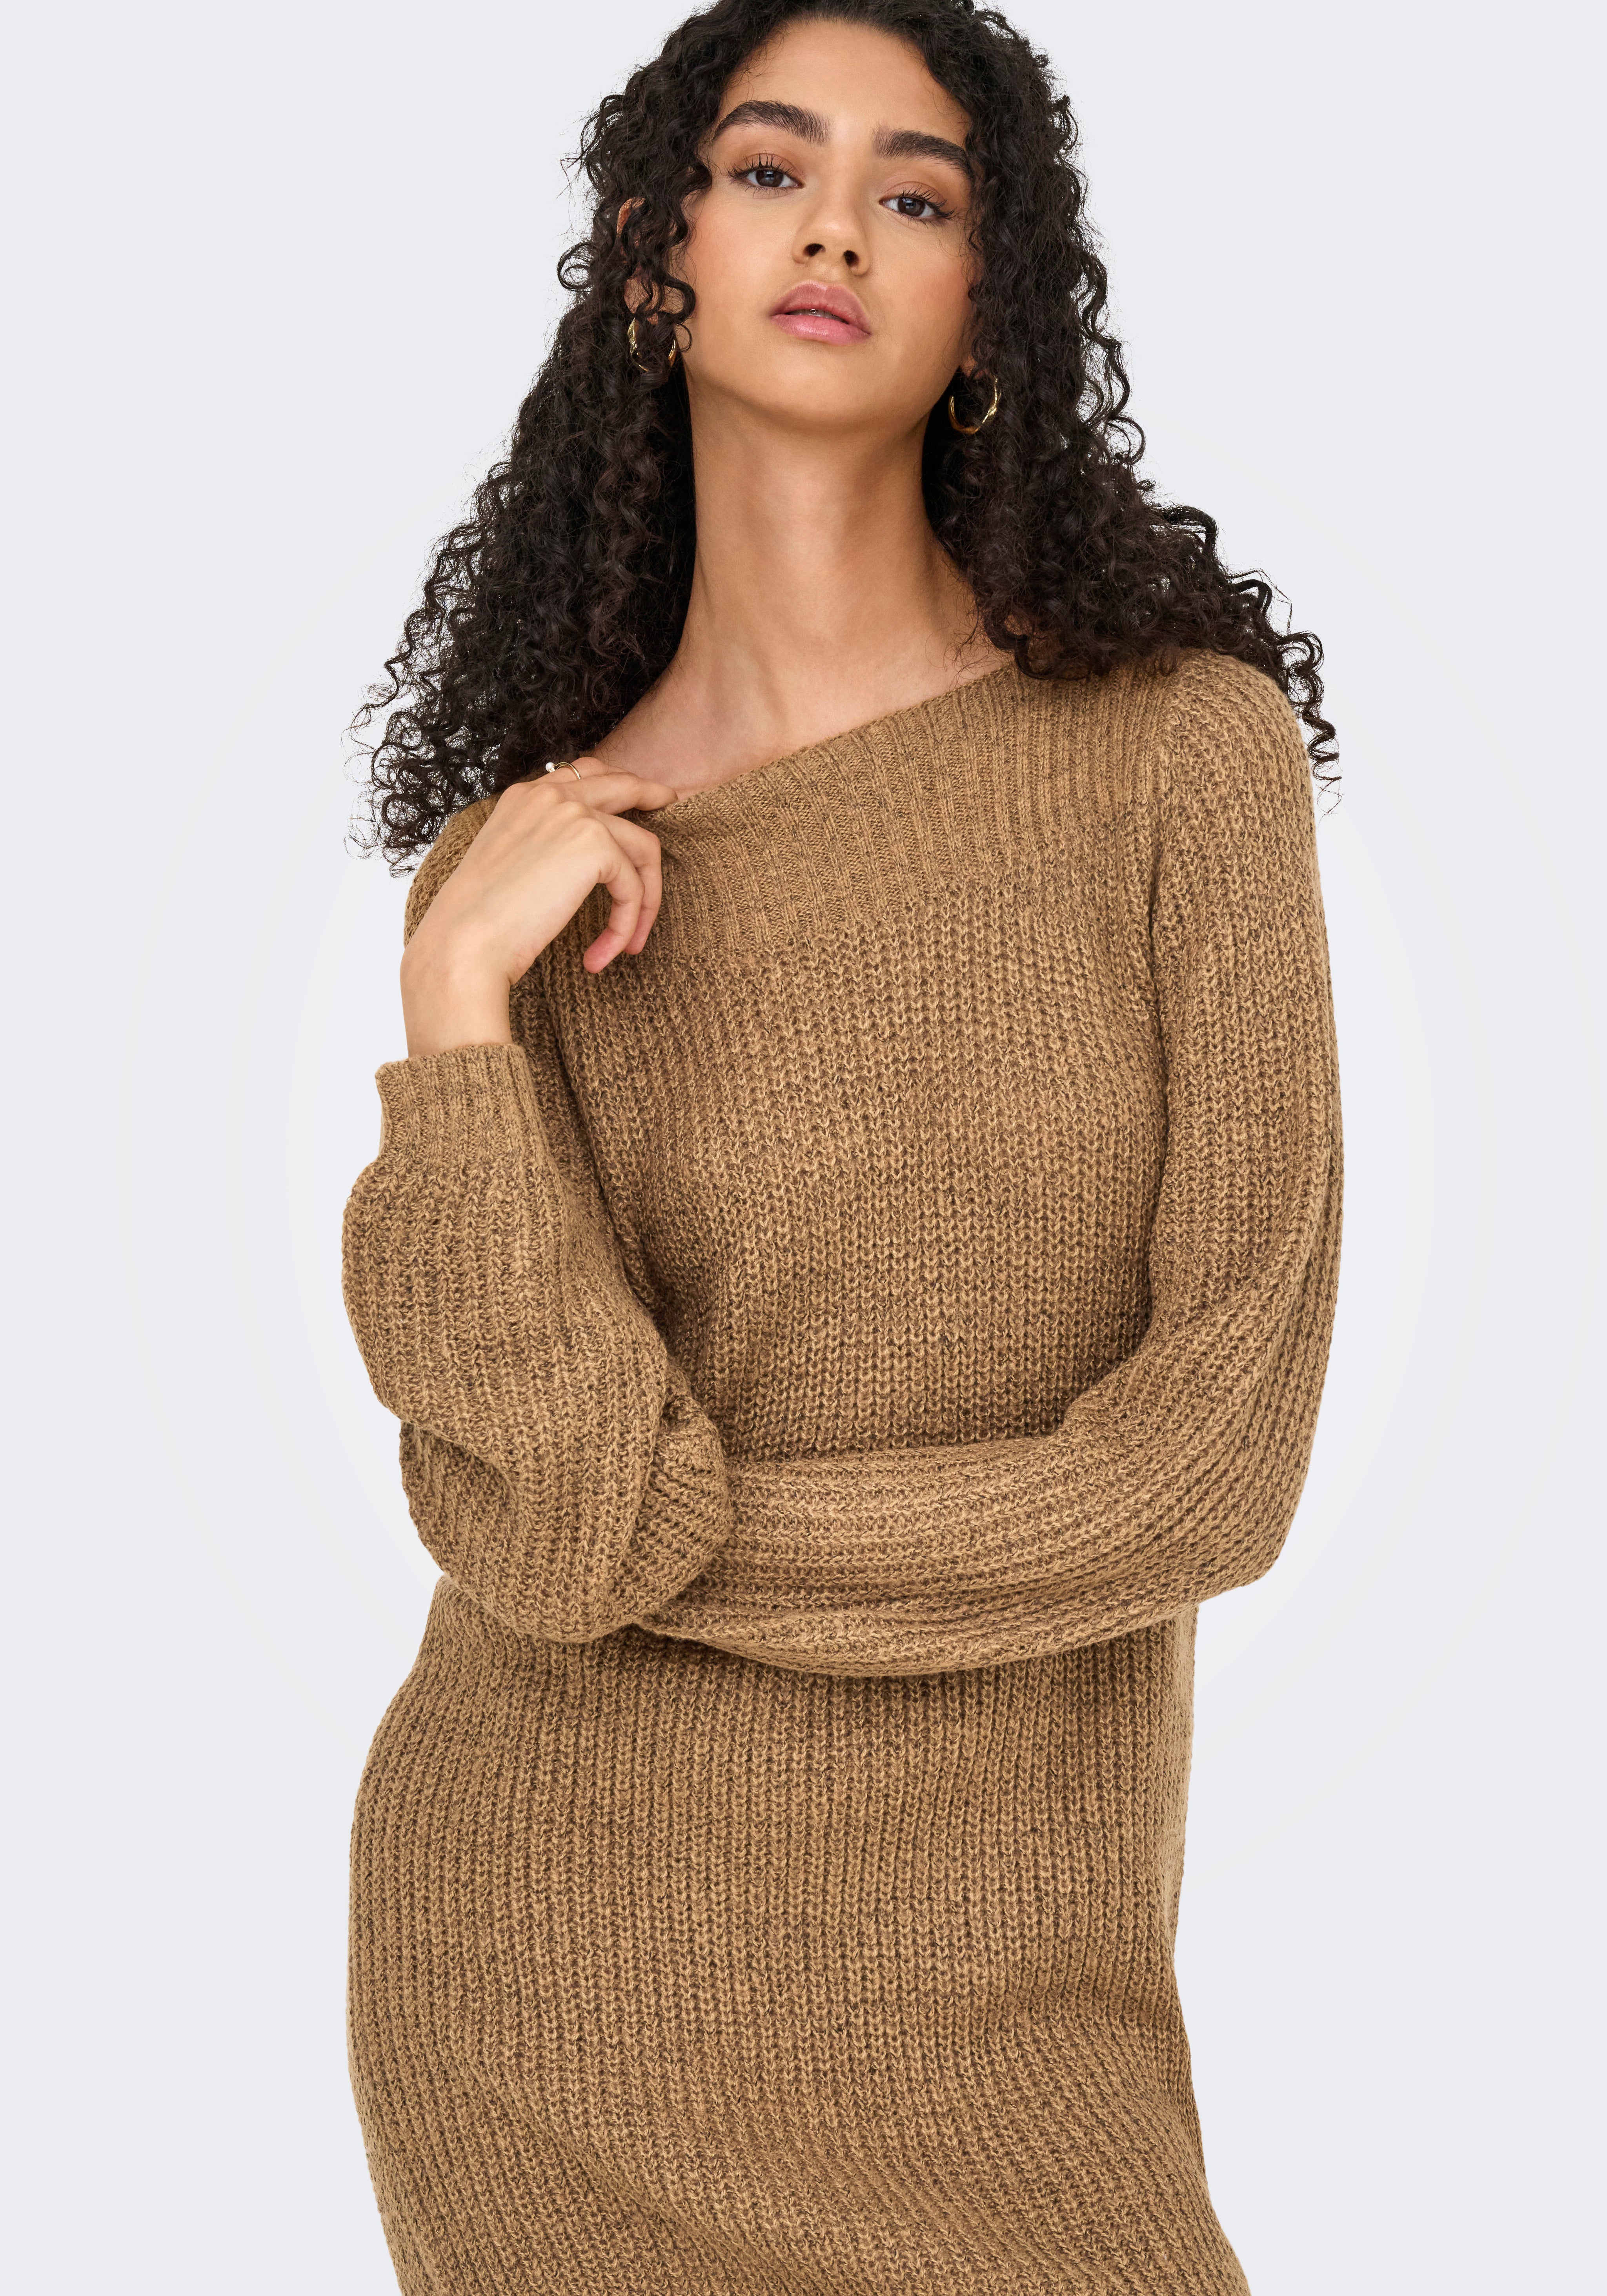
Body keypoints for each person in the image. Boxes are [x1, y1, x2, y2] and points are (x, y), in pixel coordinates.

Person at [340, 0, 1343, 2287]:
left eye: (917, 195)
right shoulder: (522, 887)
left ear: (991, 305)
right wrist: (452, 1014)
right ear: (653, 255)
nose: (835, 230)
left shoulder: (1179, 761)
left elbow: (1208, 1480)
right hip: (541, 1975)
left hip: (1015, 2008)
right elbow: (527, 1501)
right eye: (770, 170)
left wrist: (663, 1549)